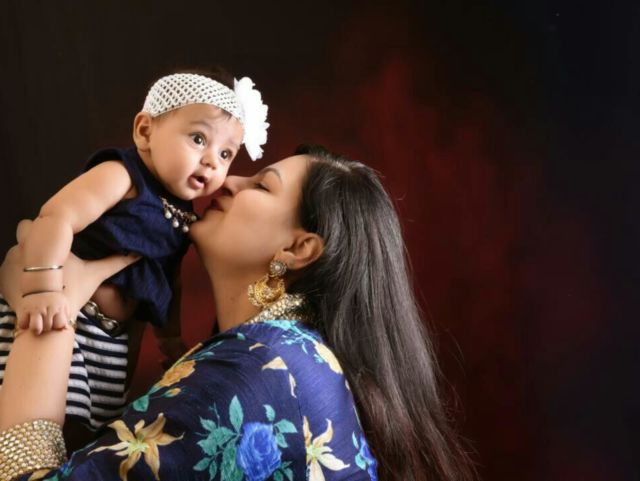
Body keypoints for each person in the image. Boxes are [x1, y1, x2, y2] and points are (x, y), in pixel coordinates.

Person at [0, 146, 475, 481]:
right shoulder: (289, 359)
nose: (227, 180)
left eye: (262, 185)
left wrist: (46, 312)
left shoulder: (257, 371)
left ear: (298, 248)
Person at [0, 69, 269, 431]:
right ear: (145, 131)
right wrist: (41, 288)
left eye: (225, 153)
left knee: (88, 432)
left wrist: (170, 339)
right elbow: (56, 217)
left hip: (112, 341)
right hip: (61, 312)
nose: (211, 161)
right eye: (198, 139)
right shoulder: (123, 176)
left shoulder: (183, 217)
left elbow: (169, 282)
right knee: (43, 422)